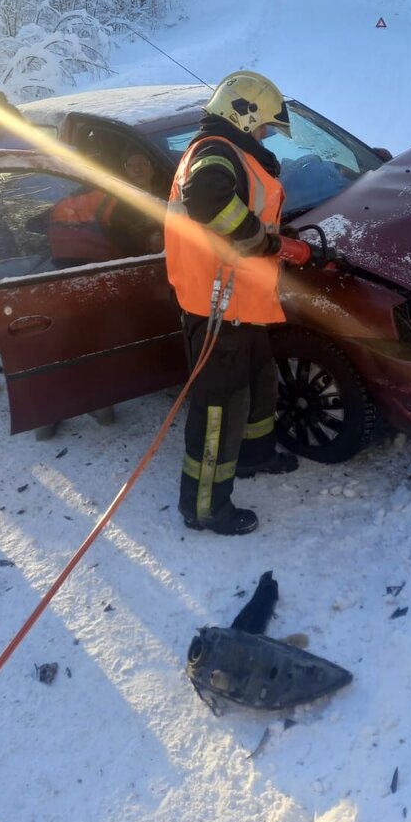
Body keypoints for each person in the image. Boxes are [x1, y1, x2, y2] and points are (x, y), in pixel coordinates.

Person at [164, 71, 333, 537]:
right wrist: (264, 242)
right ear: (242, 114)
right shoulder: (215, 151)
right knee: (217, 406)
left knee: (259, 382)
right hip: (217, 304)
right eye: (262, 127)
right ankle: (204, 507)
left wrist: (279, 240)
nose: (264, 135)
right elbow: (209, 201)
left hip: (242, 301)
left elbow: (245, 214)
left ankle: (254, 455)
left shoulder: (233, 151)